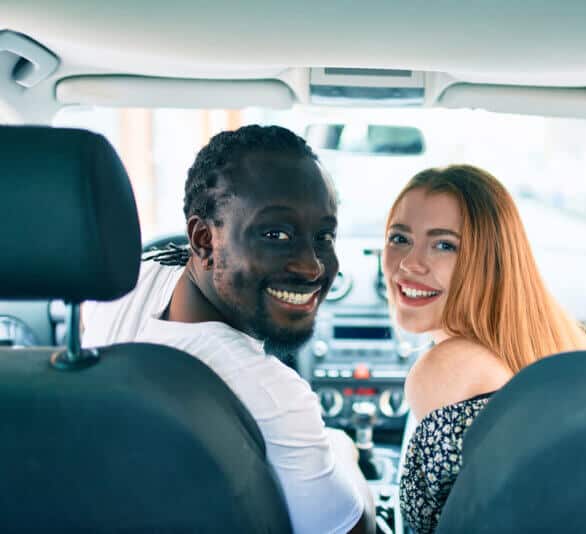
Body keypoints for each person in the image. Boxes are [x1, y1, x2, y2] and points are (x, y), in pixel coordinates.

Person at [82, 125, 374, 534]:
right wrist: (344, 451)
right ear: (203, 239)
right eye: (276, 234)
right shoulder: (269, 394)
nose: (312, 266)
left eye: (323, 235)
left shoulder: (119, 286)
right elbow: (352, 530)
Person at [384, 165, 586, 534]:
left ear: (489, 260)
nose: (409, 264)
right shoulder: (554, 345)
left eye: (443, 245)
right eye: (399, 238)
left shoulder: (450, 367)